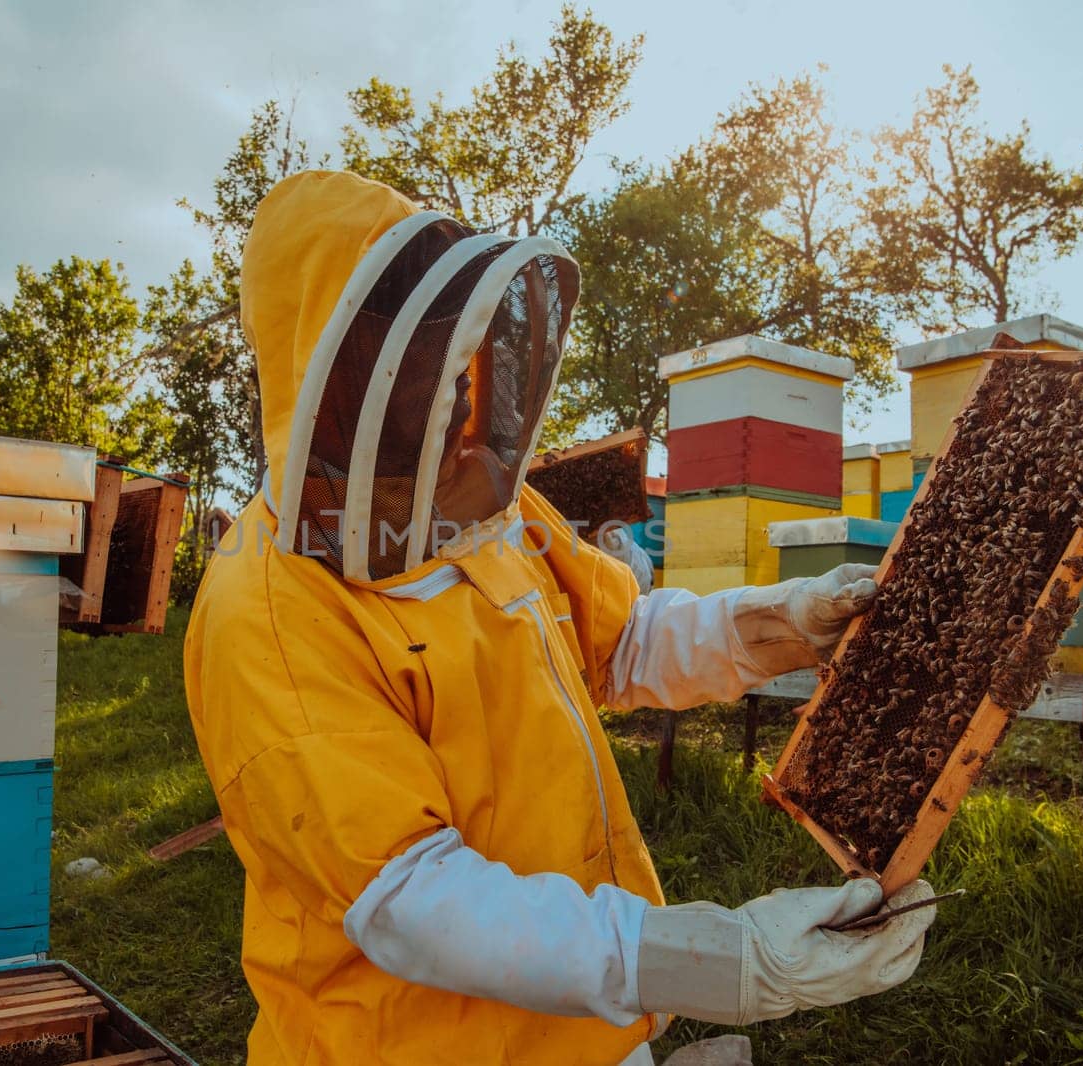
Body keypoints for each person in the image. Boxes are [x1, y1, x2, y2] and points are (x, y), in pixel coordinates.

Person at [184, 170, 935, 1066]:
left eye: (451, 374)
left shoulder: (486, 505)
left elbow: (622, 643)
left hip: (584, 1028)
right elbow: (410, 899)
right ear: (332, 381)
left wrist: (780, 621)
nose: (452, 406)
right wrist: (721, 962)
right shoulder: (266, 613)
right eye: (419, 378)